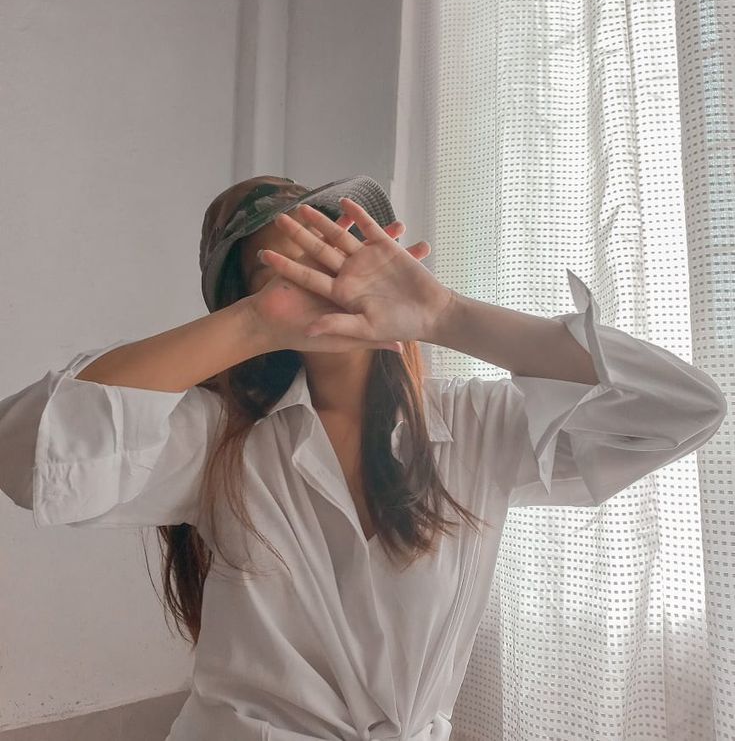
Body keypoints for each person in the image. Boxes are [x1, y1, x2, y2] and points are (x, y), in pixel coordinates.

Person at [0, 175, 727, 741]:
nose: (324, 277)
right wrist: (254, 324)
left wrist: (449, 317)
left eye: (334, 246)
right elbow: (30, 452)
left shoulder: (473, 424)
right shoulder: (219, 439)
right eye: (286, 267)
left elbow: (679, 410)